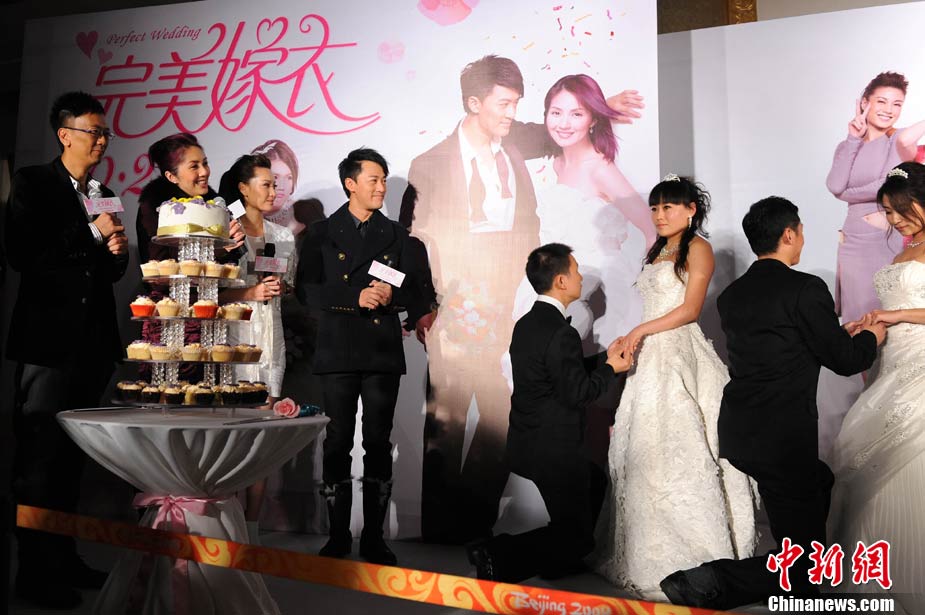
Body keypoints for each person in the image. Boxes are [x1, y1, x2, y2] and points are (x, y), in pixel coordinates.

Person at [660, 196, 885, 610]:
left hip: (743, 430)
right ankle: (710, 581)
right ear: (788, 234)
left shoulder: (733, 296)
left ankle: (798, 558)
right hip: (782, 436)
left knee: (817, 484)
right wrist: (872, 336)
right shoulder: (805, 288)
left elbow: (784, 345)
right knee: (799, 572)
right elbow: (845, 361)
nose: (802, 239)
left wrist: (839, 334)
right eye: (800, 232)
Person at [591, 175, 756, 599]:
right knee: (648, 447)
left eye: (668, 207)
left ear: (690, 210)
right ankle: (647, 552)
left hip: (679, 351)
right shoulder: (658, 249)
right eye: (655, 207)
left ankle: (701, 557)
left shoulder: (698, 248)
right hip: (650, 355)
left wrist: (640, 329)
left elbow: (690, 309)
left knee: (685, 445)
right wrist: (633, 334)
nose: (659, 215)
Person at [400, 54, 541, 543]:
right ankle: (441, 529)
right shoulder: (430, 163)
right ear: (475, 102)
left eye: (517, 103)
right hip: (450, 306)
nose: (512, 113)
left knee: (505, 414)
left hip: (504, 305)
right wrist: (422, 309)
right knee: (448, 418)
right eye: (505, 103)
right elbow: (412, 243)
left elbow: (530, 226)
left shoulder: (513, 155)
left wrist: (521, 293)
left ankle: (472, 517)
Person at [5, 91, 128, 609]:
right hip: (47, 343)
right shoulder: (34, 182)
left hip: (92, 344)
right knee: (39, 461)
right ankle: (34, 574)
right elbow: (25, 255)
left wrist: (116, 251)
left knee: (74, 459)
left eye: (105, 133)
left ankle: (65, 557)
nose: (101, 141)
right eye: (92, 131)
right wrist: (92, 234)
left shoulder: (105, 192)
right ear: (65, 135)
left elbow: (110, 271)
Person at [295, 148, 434, 565]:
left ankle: (374, 536)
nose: (380, 187)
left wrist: (393, 294)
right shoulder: (321, 234)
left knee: (378, 442)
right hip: (337, 347)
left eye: (384, 179)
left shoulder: (397, 236)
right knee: (337, 440)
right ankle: (337, 534)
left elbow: (418, 289)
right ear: (350, 184)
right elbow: (307, 290)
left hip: (381, 350)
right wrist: (353, 296)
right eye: (373, 179)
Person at [466, 243, 633, 583]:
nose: (580, 277)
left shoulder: (527, 324)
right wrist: (611, 371)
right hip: (554, 448)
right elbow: (578, 393)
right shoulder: (561, 332)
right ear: (560, 281)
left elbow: (558, 373)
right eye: (576, 271)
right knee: (577, 536)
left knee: (594, 484)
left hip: (529, 441)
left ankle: (558, 562)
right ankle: (495, 554)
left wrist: (605, 360)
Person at [829, 162, 925, 613]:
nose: (895, 220)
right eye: (887, 212)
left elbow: (905, 310)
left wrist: (896, 315)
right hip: (893, 362)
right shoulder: (908, 249)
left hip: (921, 366)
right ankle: (876, 576)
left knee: (911, 452)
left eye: (902, 209)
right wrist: (870, 324)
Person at [531, 73, 654, 354]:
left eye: (576, 114)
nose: (564, 123)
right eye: (556, 113)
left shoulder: (600, 168)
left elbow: (651, 229)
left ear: (593, 120)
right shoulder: (556, 163)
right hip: (555, 282)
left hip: (596, 288)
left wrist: (649, 282)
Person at [218, 154, 294, 540]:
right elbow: (208, 292)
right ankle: (227, 526)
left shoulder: (284, 237)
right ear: (243, 189)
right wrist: (250, 292)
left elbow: (288, 285)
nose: (273, 191)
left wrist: (282, 287)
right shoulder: (225, 232)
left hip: (271, 342)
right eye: (265, 184)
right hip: (233, 342)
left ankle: (251, 530)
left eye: (275, 184)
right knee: (231, 438)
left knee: (261, 441)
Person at [135, 133, 244, 381]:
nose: (204, 171)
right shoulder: (157, 209)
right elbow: (162, 270)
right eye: (194, 166)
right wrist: (218, 249)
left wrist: (233, 242)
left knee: (209, 387)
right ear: (171, 176)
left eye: (205, 163)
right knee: (171, 385)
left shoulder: (214, 206)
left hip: (210, 313)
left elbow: (228, 267)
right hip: (172, 315)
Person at [825, 71, 925, 323]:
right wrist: (853, 138)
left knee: (886, 310)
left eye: (897, 104)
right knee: (857, 319)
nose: (889, 110)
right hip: (851, 242)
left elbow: (885, 184)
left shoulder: (898, 140)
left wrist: (845, 194)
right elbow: (834, 185)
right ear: (864, 102)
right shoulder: (847, 145)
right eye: (881, 101)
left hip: (885, 238)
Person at [250, 139, 303, 234]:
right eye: (275, 177)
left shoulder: (301, 214)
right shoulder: (240, 211)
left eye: (289, 177)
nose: (282, 186)